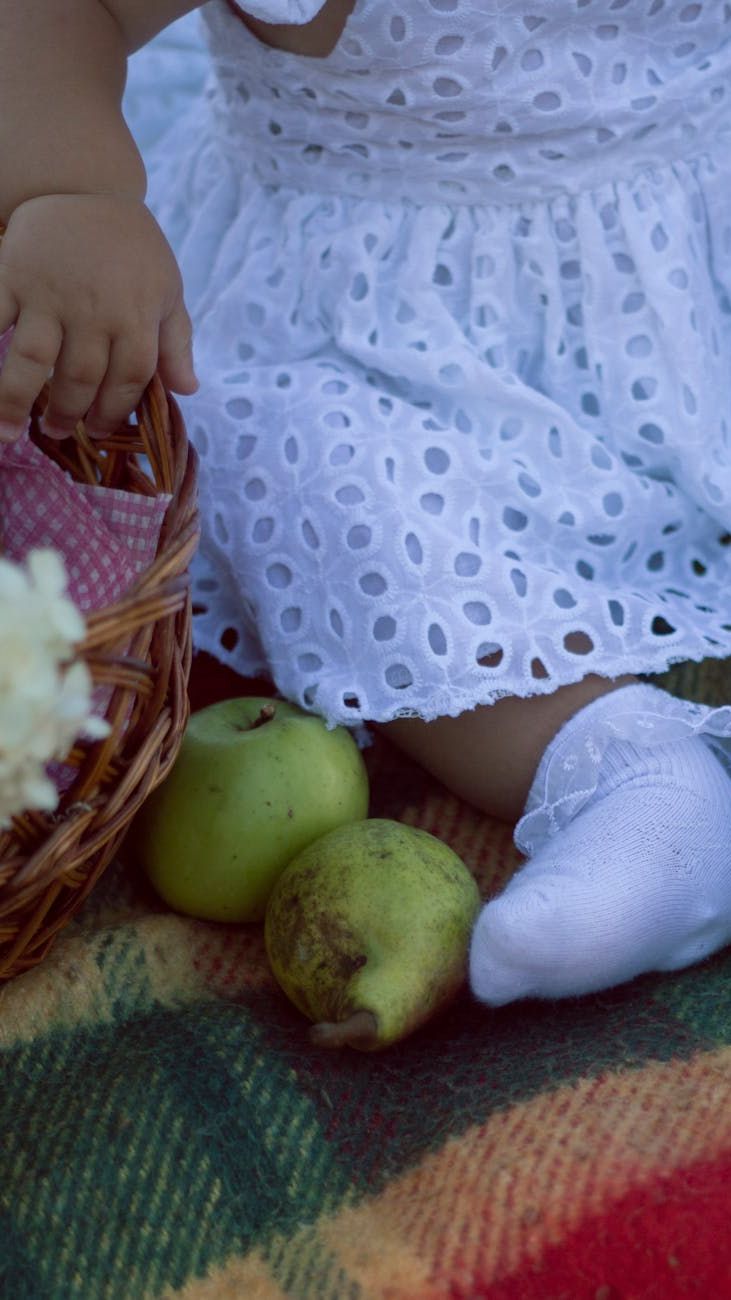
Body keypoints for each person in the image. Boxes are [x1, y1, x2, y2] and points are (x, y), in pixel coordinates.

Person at [2, 0, 731, 1007]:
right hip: (365, 329)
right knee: (298, 475)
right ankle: (629, 776)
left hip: (684, 253)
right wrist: (73, 191)